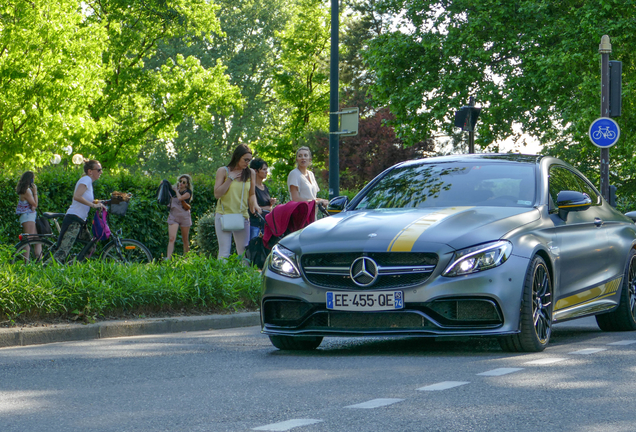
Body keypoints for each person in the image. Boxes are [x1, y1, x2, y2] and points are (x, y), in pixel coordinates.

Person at [54, 160, 106, 263]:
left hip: (80, 221)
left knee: (90, 247)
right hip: (74, 219)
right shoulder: (86, 179)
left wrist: (101, 202)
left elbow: (86, 199)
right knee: (62, 252)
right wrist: (93, 205)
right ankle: (43, 269)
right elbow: (77, 196)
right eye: (99, 170)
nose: (101, 172)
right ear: (90, 171)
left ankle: (71, 267)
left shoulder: (88, 182)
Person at [214, 144, 258, 259]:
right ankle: (221, 276)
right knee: (224, 252)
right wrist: (230, 178)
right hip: (223, 215)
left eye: (249, 160)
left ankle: (244, 276)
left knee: (244, 253)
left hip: (242, 216)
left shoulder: (250, 173)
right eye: (245, 160)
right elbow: (217, 194)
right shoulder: (223, 171)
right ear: (237, 157)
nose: (247, 163)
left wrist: (255, 206)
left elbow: (252, 194)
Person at [248, 158, 277, 240]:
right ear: (255, 171)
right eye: (264, 169)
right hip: (255, 225)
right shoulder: (251, 188)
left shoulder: (265, 187)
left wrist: (271, 203)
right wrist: (268, 208)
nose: (266, 172)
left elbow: (266, 206)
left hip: (266, 225)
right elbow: (252, 208)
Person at [166, 174, 193, 259]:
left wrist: (176, 191)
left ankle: (186, 258)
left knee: (185, 239)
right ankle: (168, 258)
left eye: (183, 182)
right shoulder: (173, 190)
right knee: (171, 238)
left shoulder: (188, 192)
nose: (181, 183)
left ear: (187, 184)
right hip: (173, 216)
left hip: (184, 216)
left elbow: (180, 198)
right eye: (180, 181)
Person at [15, 171, 40, 258]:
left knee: (37, 239)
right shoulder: (27, 191)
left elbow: (33, 206)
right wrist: (35, 192)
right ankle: (26, 262)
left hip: (28, 216)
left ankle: (39, 260)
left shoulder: (25, 190)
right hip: (28, 217)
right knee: (28, 241)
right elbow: (35, 205)